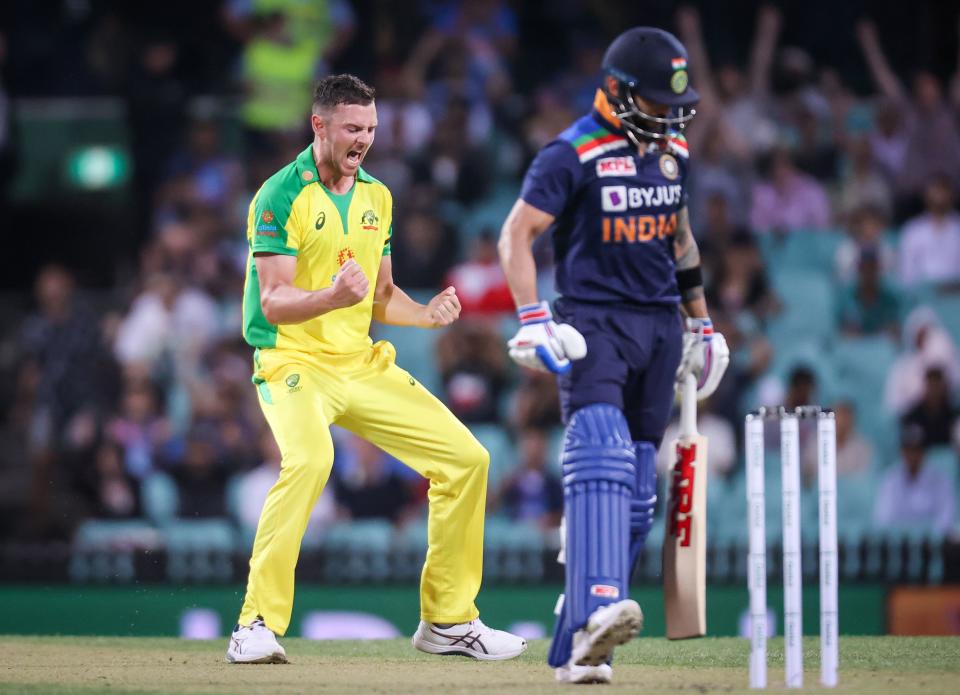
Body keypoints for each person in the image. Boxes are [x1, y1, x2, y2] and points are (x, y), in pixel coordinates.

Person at [226, 74, 525, 664]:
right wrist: (333, 299)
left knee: (467, 460)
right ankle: (255, 625)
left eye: (370, 129)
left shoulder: (377, 197)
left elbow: (382, 296)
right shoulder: (280, 195)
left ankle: (448, 621)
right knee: (311, 460)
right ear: (320, 126)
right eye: (352, 129)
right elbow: (274, 302)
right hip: (292, 359)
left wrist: (426, 314)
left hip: (359, 363)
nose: (363, 140)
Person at [498, 28, 729, 684]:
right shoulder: (571, 152)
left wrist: (703, 325)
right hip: (592, 319)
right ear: (617, 92)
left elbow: (679, 239)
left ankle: (580, 639)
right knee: (598, 451)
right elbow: (516, 234)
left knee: (634, 492)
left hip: (659, 324)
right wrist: (533, 316)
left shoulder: (672, 148)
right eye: (656, 103)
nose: (669, 116)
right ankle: (600, 603)